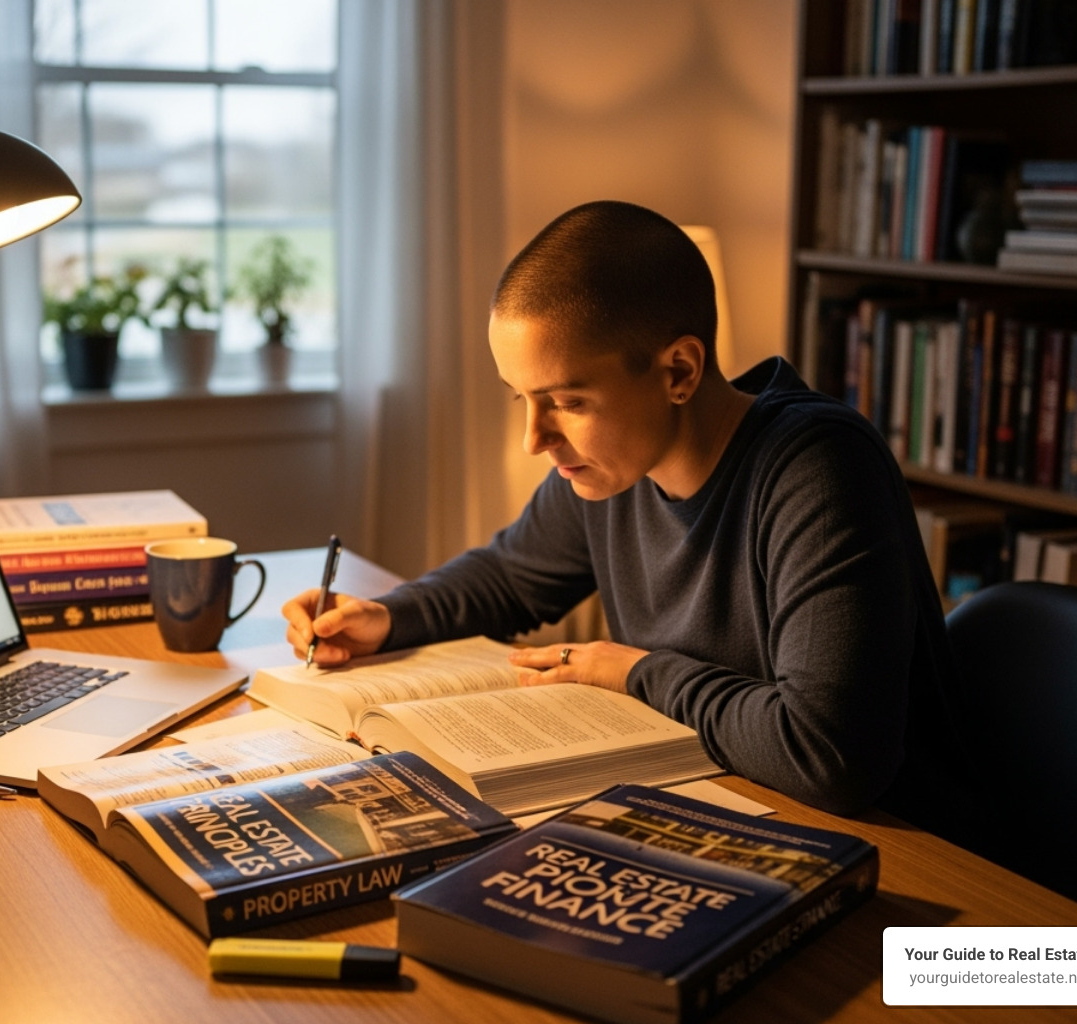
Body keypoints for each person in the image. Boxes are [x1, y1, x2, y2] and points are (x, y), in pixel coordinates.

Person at [282, 200, 966, 820]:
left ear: (679, 372)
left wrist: (638, 673)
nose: (534, 440)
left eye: (568, 402)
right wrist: (389, 616)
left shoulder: (818, 469)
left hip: (900, 849)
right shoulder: (615, 468)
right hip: (726, 800)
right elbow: (511, 576)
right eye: (523, 398)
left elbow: (830, 755)